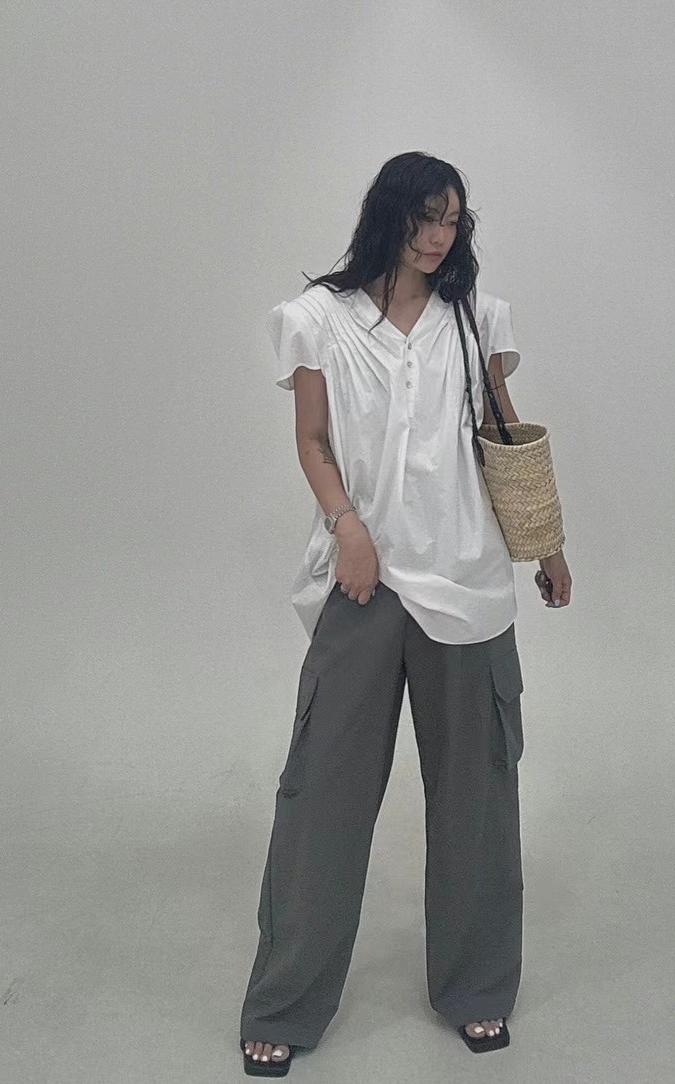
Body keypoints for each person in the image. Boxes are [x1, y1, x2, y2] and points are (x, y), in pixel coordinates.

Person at [239, 151, 572, 1076]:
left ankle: (477, 989)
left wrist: (546, 544)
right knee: (322, 795)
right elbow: (312, 440)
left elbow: (504, 436)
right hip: (363, 582)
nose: (439, 236)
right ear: (388, 215)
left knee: (477, 799)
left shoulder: (477, 316)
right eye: (426, 217)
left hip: (468, 582)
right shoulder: (318, 319)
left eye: (453, 221)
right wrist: (347, 528)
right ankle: (286, 1001)